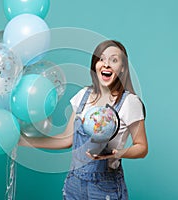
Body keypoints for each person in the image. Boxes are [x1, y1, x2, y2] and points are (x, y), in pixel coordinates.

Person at [18, 40, 148, 200]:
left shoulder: (129, 102)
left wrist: (115, 153)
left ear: (122, 68)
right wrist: (22, 140)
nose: (106, 64)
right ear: (95, 65)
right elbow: (65, 139)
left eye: (114, 60)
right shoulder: (83, 95)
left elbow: (142, 148)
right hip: (74, 183)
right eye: (101, 59)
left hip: (104, 186)